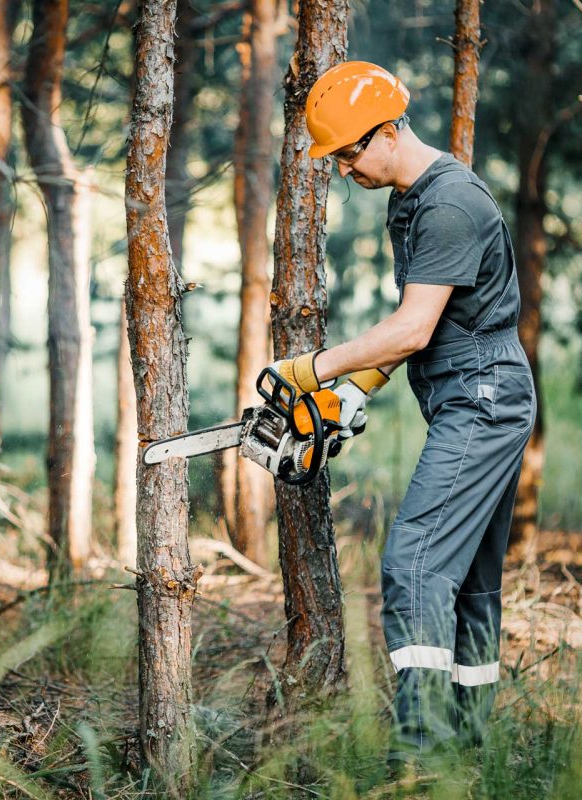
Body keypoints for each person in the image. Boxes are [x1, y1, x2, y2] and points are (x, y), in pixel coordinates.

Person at [266, 61, 536, 768]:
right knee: (470, 582)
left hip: (482, 398)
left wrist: (311, 370)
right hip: (475, 394)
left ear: (388, 132)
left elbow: (414, 329)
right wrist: (357, 389)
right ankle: (467, 757)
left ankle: (418, 761)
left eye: (349, 153)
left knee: (414, 563)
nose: (343, 169)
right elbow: (429, 321)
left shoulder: (449, 205)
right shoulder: (410, 200)